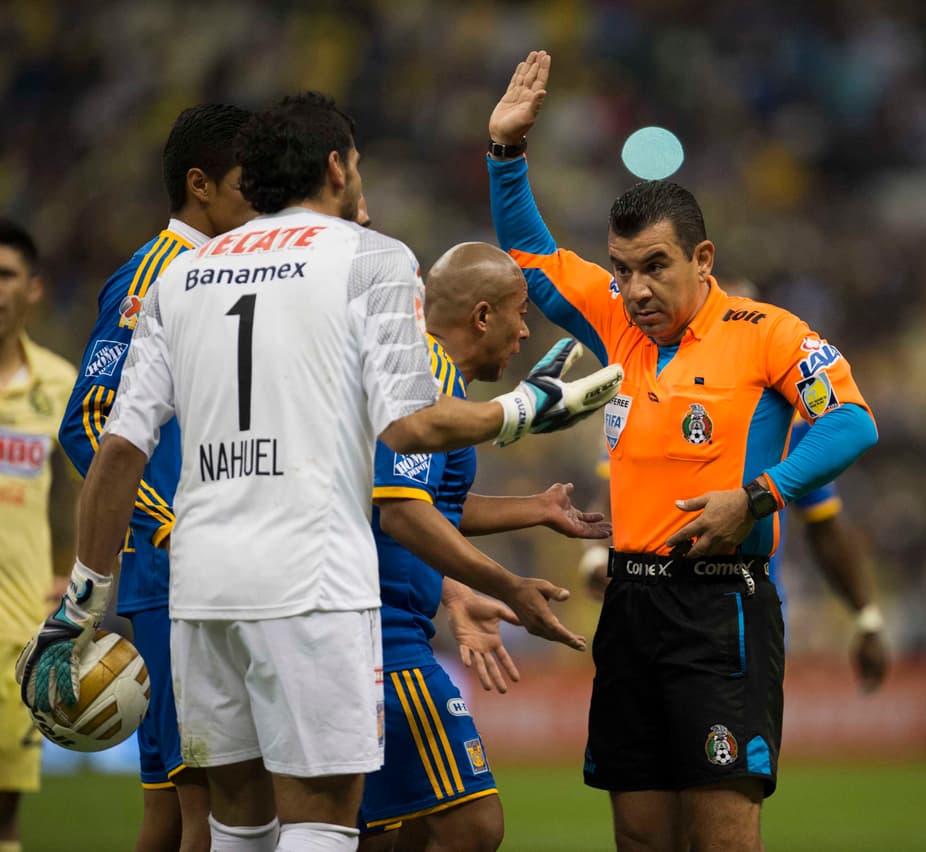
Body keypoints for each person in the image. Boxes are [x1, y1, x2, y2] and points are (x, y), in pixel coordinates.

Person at [17, 92, 621, 852]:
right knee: (325, 820)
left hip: (202, 588)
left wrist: (82, 602)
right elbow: (412, 425)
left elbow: (114, 451)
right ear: (336, 166)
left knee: (237, 824)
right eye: (359, 163)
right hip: (311, 581)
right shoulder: (370, 258)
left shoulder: (181, 275)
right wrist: (532, 407)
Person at [487, 52, 879, 851]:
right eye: (623, 269)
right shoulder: (618, 325)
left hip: (721, 608)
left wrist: (758, 495)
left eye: (655, 267)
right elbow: (531, 260)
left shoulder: (768, 333)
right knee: (638, 837)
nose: (634, 290)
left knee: (722, 838)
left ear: (703, 261)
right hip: (631, 606)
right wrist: (505, 156)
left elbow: (852, 423)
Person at [358, 242, 614, 852]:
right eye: (519, 314)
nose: (526, 332)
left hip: (378, 627)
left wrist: (537, 510)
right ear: (481, 316)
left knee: (386, 832)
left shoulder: (434, 378)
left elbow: (429, 503)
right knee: (472, 824)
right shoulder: (422, 374)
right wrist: (507, 586)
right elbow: (401, 512)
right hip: (380, 635)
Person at [58, 102, 255, 852]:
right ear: (200, 185)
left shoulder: (233, 272)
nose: (260, 199)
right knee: (210, 802)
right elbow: (90, 419)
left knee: (173, 809)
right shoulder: (153, 277)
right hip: (178, 575)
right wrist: (166, 519)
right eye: (247, 183)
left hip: (214, 568)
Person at [580, 275, 889, 692]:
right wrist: (597, 557)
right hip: (646, 607)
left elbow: (824, 525)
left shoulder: (791, 424)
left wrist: (865, 618)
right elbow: (614, 488)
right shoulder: (645, 396)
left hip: (740, 611)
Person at [0, 220, 77, 852]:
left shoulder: (60, 385)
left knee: (4, 814)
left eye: (5, 275)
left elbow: (85, 492)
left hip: (16, 631)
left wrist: (75, 573)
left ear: (34, 289)